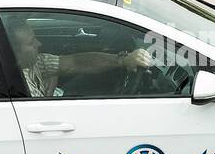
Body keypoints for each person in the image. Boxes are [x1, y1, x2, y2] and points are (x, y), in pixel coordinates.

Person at [9, 20, 151, 98]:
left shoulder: (33, 63)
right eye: (31, 42)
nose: (39, 44)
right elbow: (44, 112)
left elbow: (75, 62)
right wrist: (50, 92)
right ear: (13, 51)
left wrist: (122, 60)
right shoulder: (18, 87)